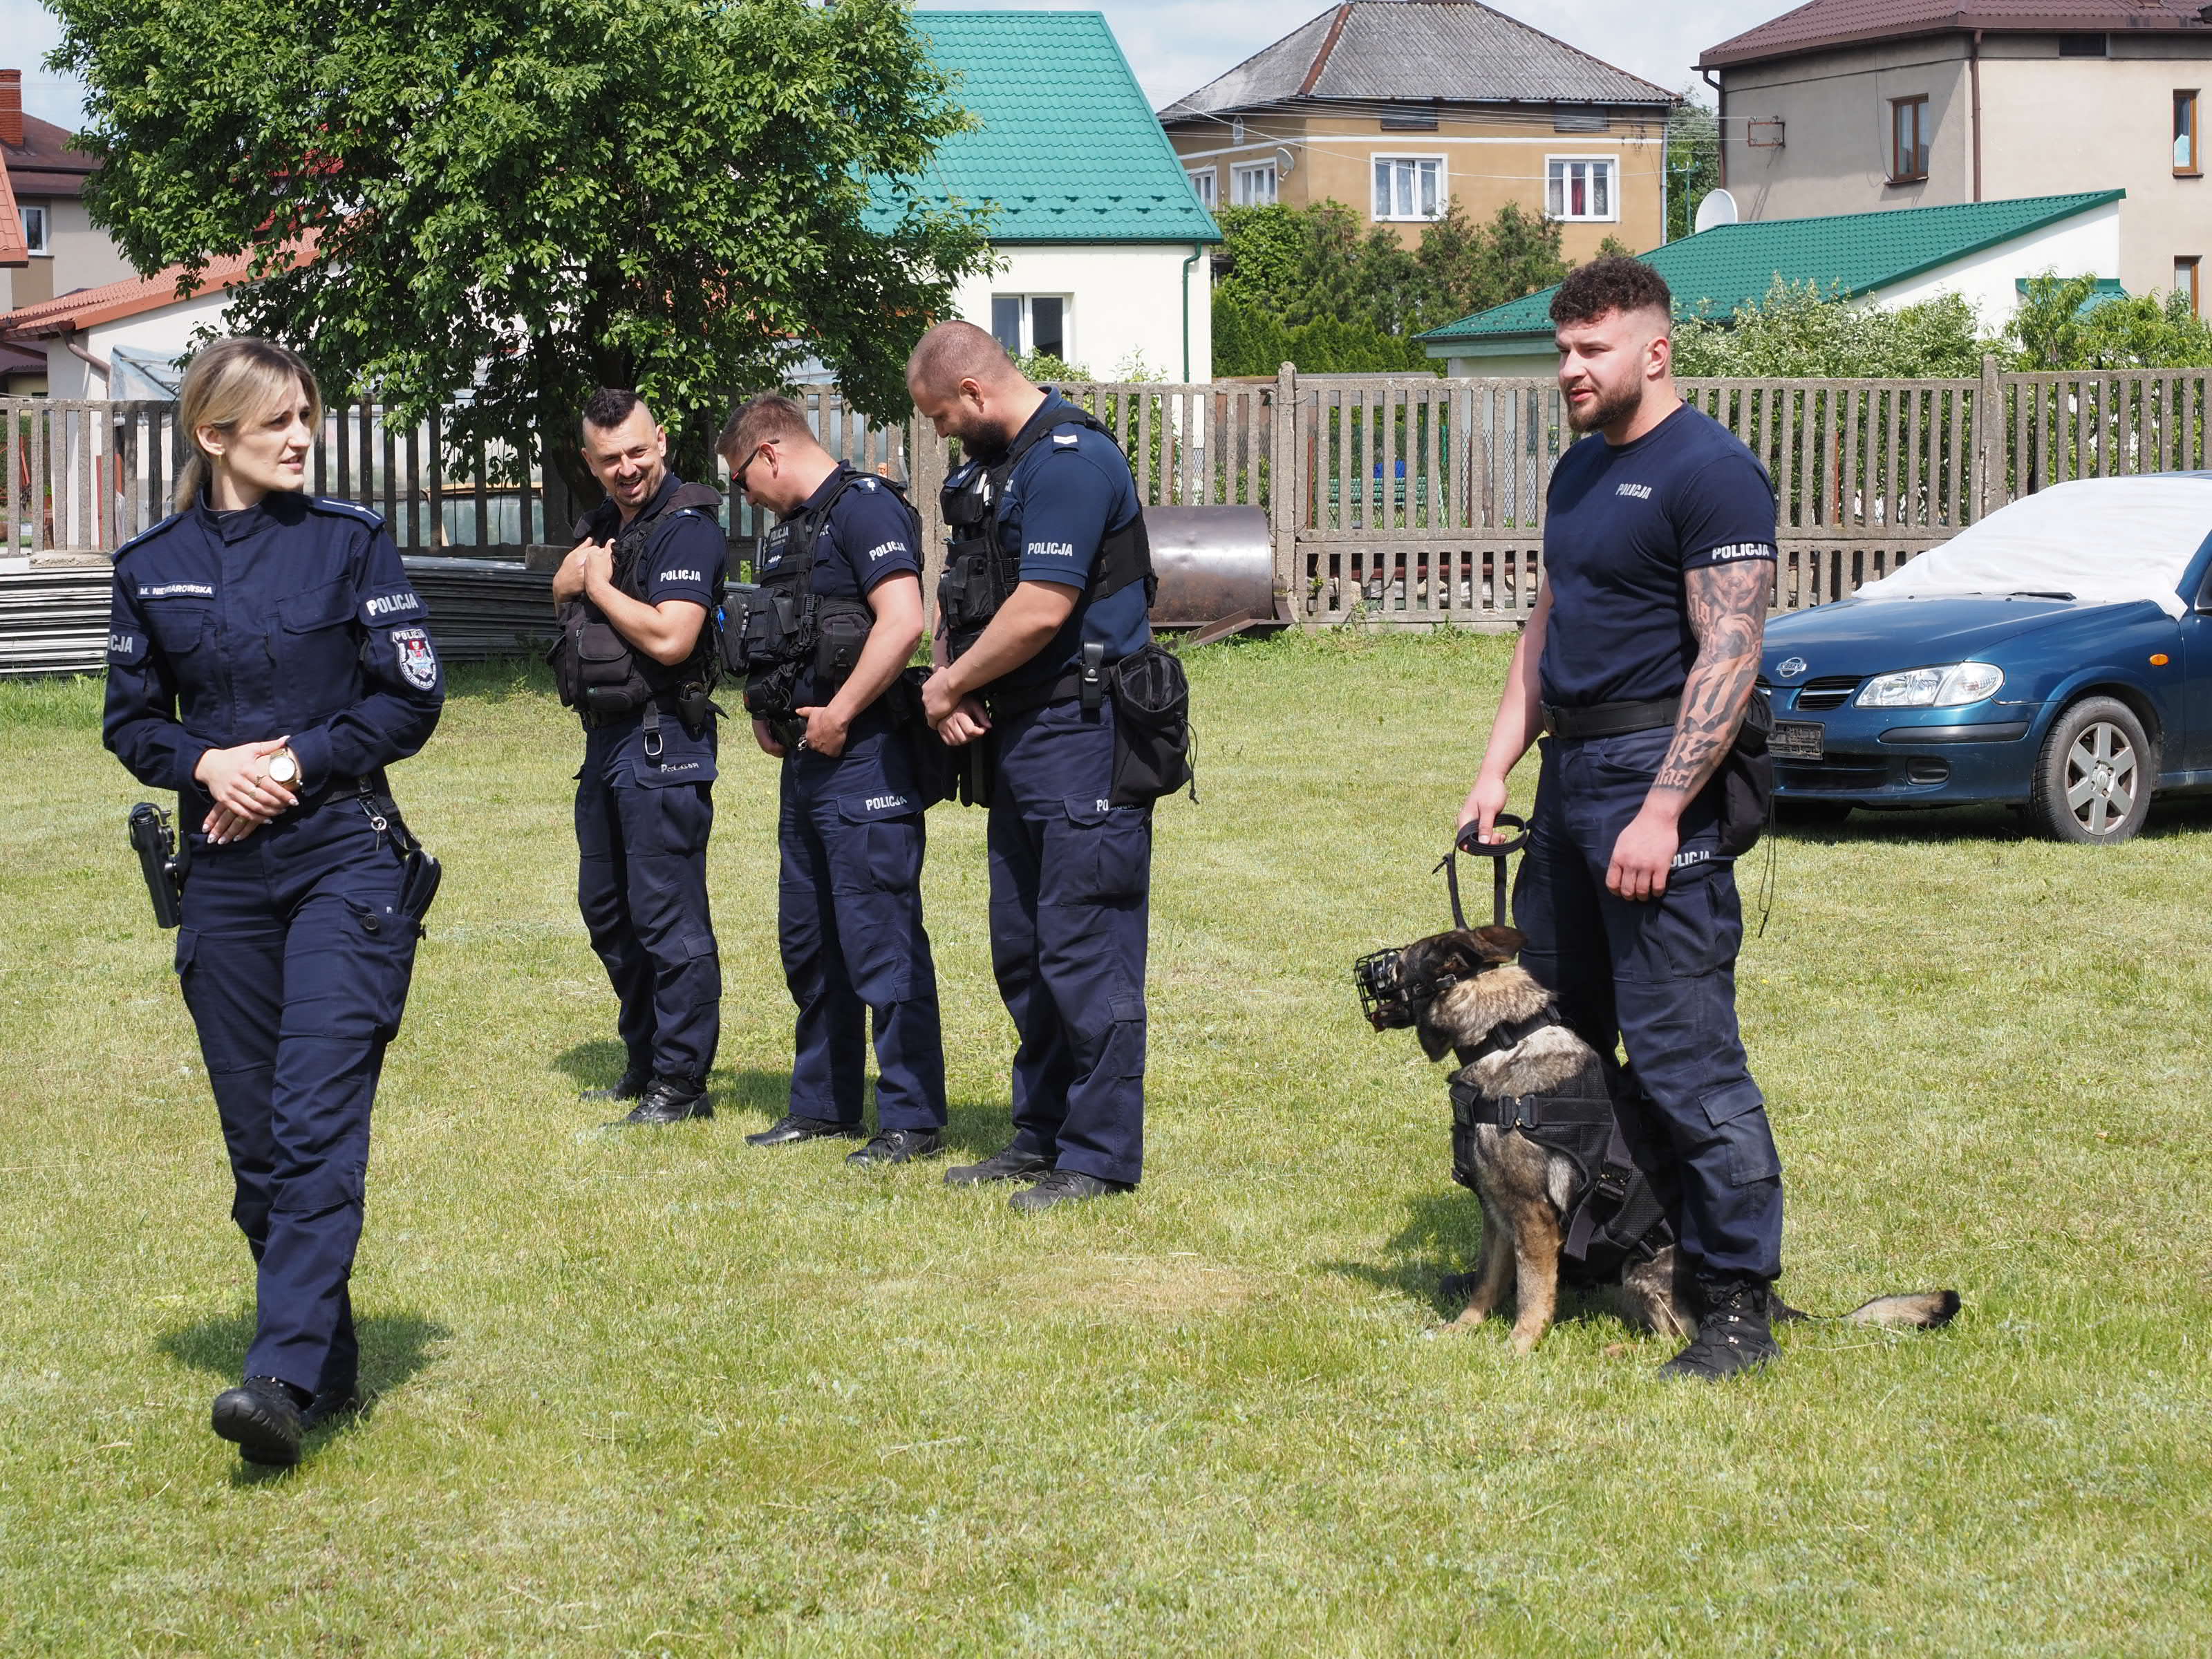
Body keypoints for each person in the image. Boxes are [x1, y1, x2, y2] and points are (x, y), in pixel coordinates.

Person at [103, 337, 444, 1465]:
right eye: (278, 421)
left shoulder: (350, 542)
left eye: (308, 416)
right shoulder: (151, 565)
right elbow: (131, 720)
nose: (303, 437)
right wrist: (207, 766)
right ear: (214, 436)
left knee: (313, 1120)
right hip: (224, 878)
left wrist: (292, 762)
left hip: (345, 858)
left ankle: (279, 1379)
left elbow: (410, 697)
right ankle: (326, 1366)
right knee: (259, 1150)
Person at [1456, 256, 1787, 1380]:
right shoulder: (1579, 469)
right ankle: (1608, 1246)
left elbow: (1731, 654)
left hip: (1657, 780)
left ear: (1656, 349)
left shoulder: (1714, 472)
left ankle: (1736, 1300)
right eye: (1562, 350)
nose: (1569, 369)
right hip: (1570, 782)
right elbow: (1545, 630)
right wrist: (1496, 769)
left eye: (1591, 349)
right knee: (1562, 1045)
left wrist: (1663, 810)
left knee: (1689, 1058)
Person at [906, 323, 1154, 1211]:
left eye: (941, 416)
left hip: (1082, 731)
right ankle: (1040, 1134)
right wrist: (951, 673)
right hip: (1020, 734)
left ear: (973, 392)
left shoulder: (1070, 464)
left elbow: (1042, 608)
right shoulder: (995, 470)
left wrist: (946, 687)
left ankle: (1098, 1155)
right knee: (1024, 948)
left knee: (1086, 947)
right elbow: (964, 594)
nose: (940, 432)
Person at [718, 396, 948, 1163]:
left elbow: (903, 620)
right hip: (807, 763)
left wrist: (842, 711)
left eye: (741, 477)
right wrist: (765, 707)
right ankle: (823, 1106)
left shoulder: (864, 509)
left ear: (770, 453)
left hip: (866, 755)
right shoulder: (791, 530)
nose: (743, 494)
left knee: (882, 941)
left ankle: (912, 1119)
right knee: (811, 942)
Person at [551, 390, 727, 1126]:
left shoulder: (687, 529)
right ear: (589, 462)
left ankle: (681, 1084)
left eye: (636, 452)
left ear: (661, 442)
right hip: (605, 741)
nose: (626, 469)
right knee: (607, 910)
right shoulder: (603, 524)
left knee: (666, 916)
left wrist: (594, 583)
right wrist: (571, 582)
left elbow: (671, 638)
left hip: (662, 741)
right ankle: (647, 1059)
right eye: (609, 459)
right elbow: (561, 597)